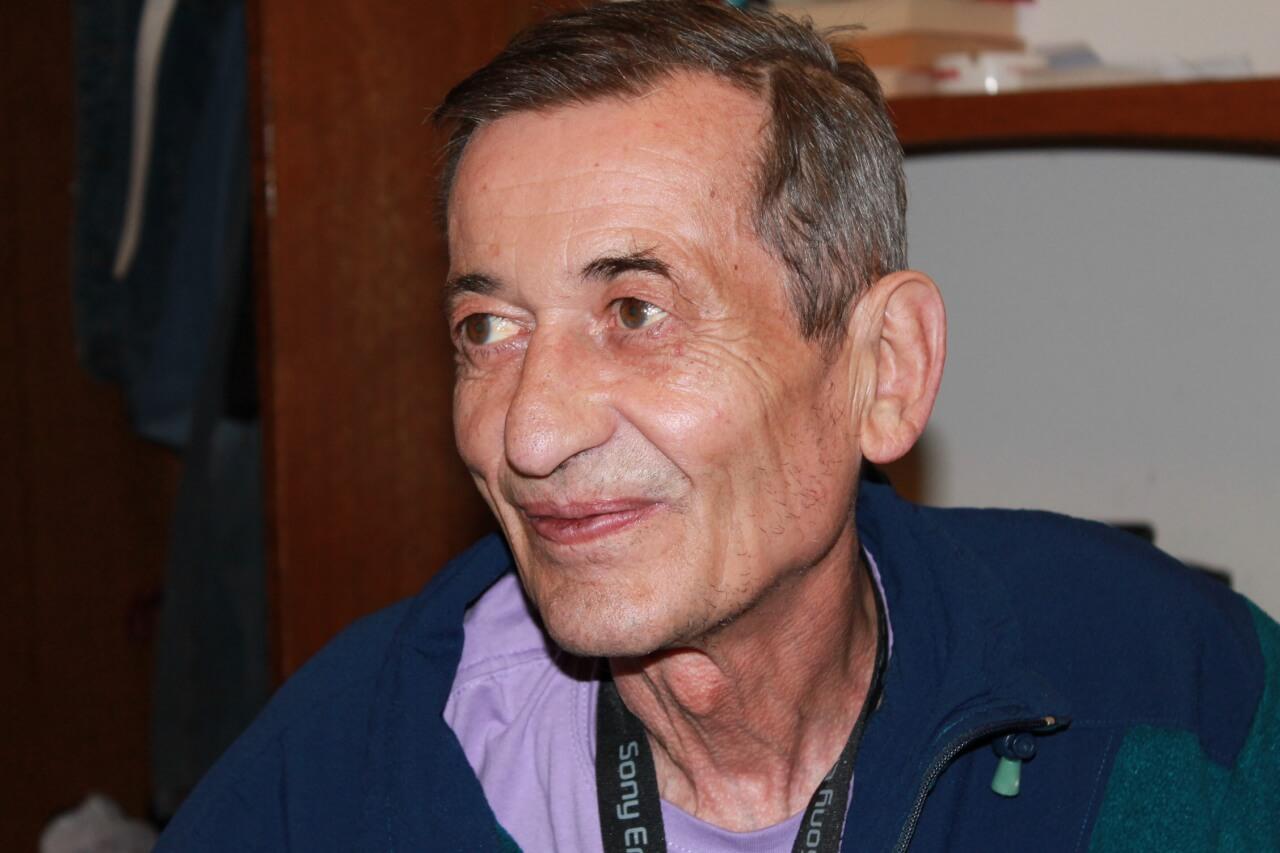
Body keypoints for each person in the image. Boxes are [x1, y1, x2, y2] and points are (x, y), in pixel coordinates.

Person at [156, 2, 1280, 851]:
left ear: (880, 370)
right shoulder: (350, 763)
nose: (530, 435)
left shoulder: (1172, 692)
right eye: (487, 329)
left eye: (634, 312)